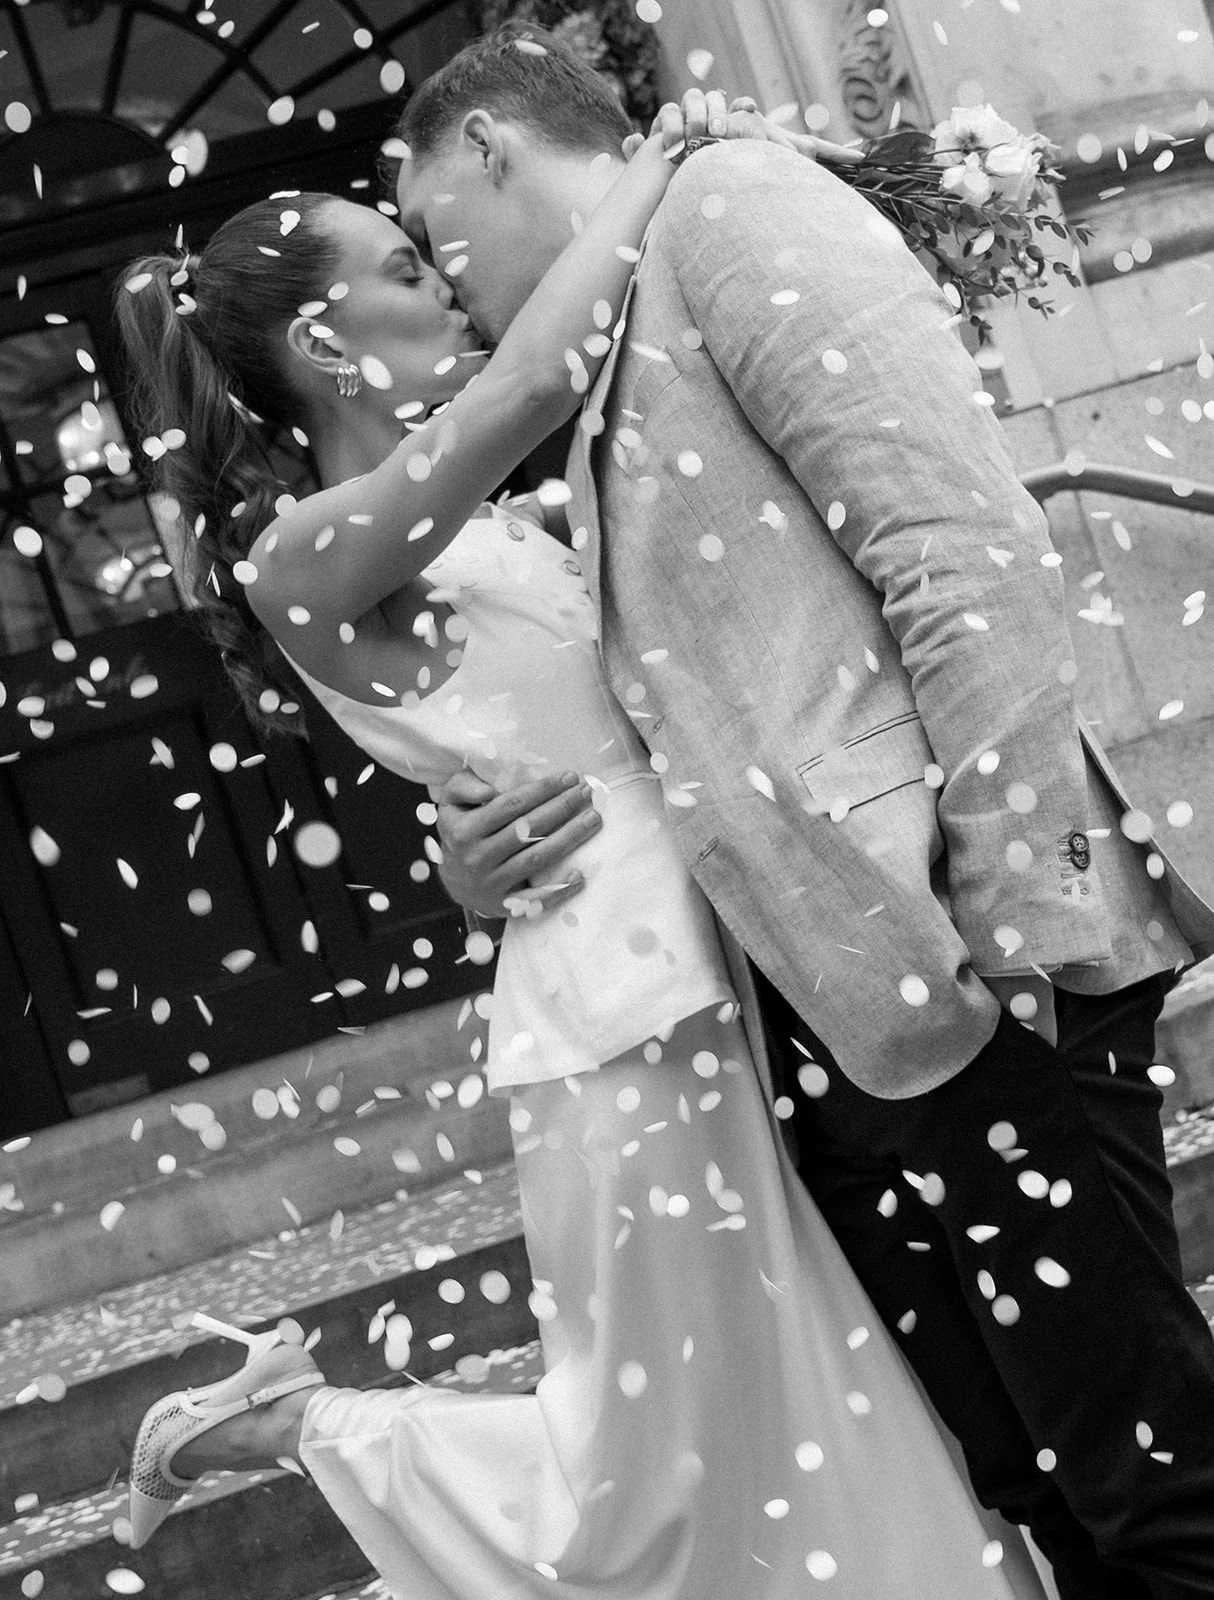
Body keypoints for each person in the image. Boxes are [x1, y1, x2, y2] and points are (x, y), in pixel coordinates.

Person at [116, 80, 1043, 1599]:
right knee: (647, 1472)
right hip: (621, 1032)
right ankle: (290, 1425)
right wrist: (666, 156)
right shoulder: (297, 557)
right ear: (325, 347)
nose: (444, 281)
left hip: (731, 973)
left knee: (822, 1395)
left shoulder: (499, 529)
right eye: (405, 266)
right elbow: (538, 379)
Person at [399, 26, 1214, 1600]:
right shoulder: (618, 316)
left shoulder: (732, 210)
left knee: (1150, 1481)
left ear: (499, 146)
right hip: (830, 1005)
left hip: (975, 969)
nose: (450, 292)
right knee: (1025, 1484)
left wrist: (1013, 917)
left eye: (441, 242)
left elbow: (962, 555)